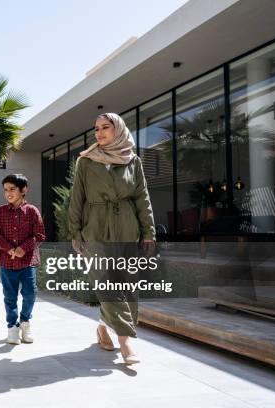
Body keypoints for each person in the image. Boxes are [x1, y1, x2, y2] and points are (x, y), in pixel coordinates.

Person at [68, 113, 156, 365]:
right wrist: (75, 232)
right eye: (96, 129)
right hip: (95, 228)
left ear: (118, 130)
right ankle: (126, 340)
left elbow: (142, 198)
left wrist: (149, 231)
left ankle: (103, 328)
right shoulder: (86, 161)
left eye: (105, 127)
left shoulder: (133, 160)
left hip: (128, 227)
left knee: (127, 283)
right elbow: (77, 199)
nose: (99, 133)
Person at [0, 174, 45, 345]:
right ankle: (12, 328)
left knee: (30, 294)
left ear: (24, 190)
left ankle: (25, 322)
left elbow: (40, 235)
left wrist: (23, 248)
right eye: (6, 190)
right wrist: (10, 249)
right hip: (7, 263)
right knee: (10, 296)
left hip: (28, 262)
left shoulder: (32, 211)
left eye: (12, 189)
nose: (8, 193)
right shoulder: (1, 211)